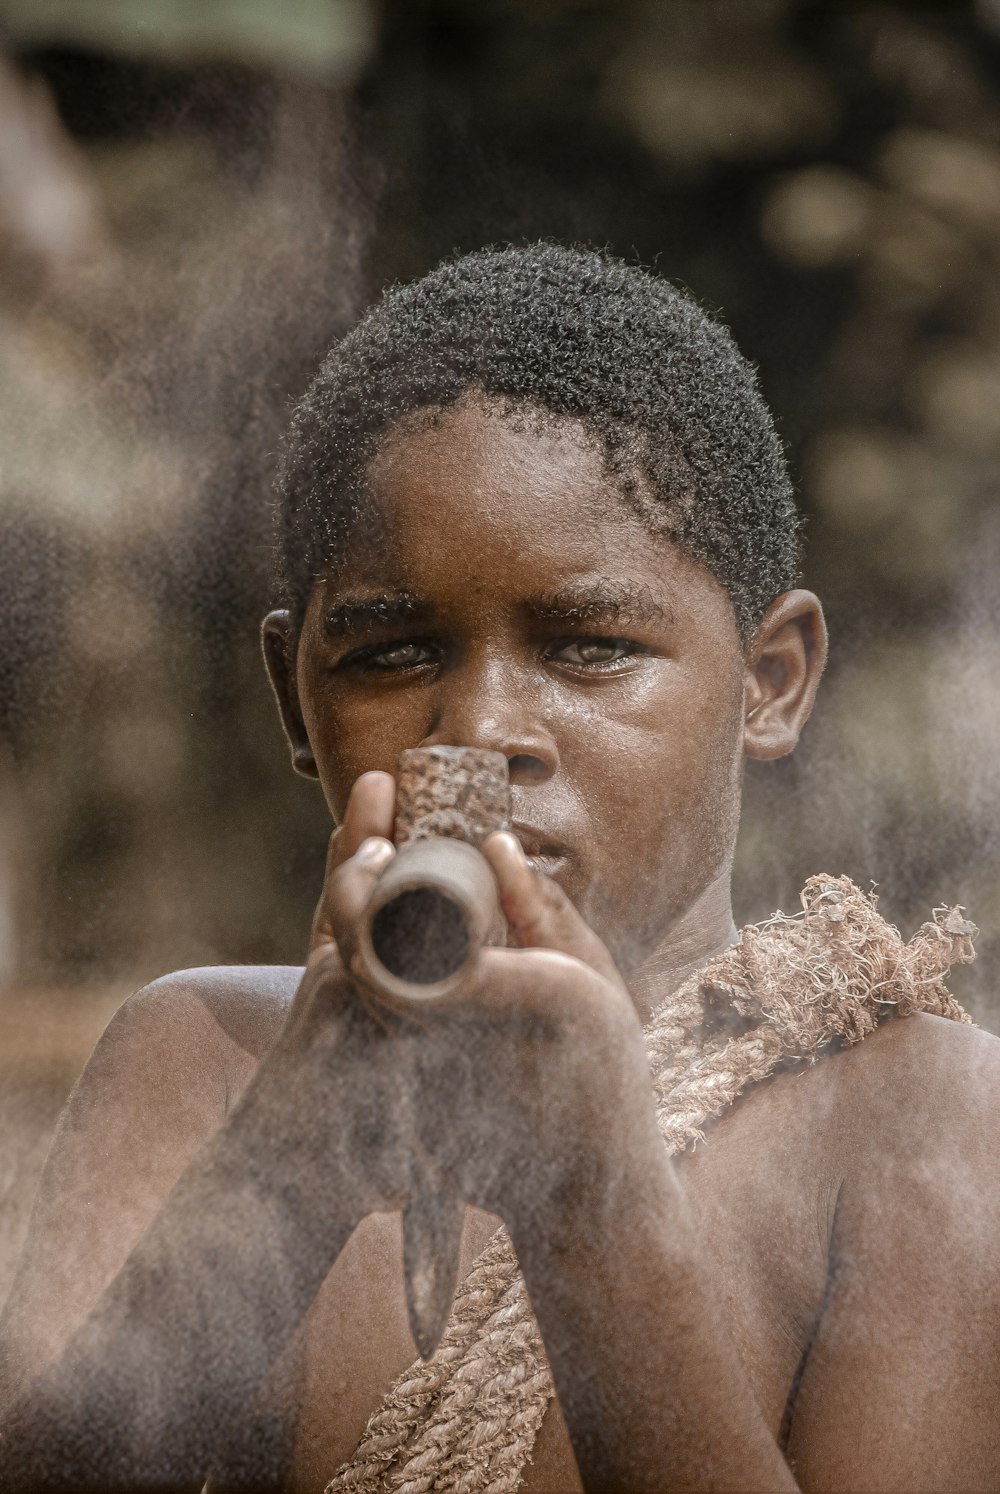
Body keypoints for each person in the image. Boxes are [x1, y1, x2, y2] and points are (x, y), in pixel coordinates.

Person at [1, 243, 998, 1494]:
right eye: (390, 654)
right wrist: (282, 1176)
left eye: (588, 647)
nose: (477, 731)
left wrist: (590, 1207)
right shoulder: (206, 1059)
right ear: (291, 700)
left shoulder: (921, 1126)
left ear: (770, 679)